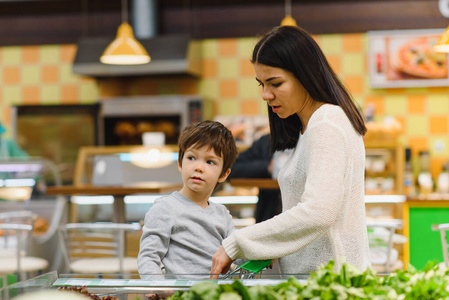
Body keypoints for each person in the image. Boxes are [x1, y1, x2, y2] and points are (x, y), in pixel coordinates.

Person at [211, 25, 370, 278]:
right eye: (261, 84)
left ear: (305, 74)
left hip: (329, 286)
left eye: (275, 83)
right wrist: (272, 245)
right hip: (317, 282)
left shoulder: (326, 122)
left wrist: (237, 242)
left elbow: (319, 212)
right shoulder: (307, 127)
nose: (265, 94)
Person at [138, 120, 239, 279]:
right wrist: (156, 286)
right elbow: (148, 256)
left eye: (210, 161)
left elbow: (237, 252)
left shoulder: (222, 214)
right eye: (191, 158)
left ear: (224, 174)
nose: (198, 167)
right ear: (180, 163)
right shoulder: (165, 208)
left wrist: (261, 251)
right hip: (180, 295)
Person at [227, 134, 282, 223]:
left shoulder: (308, 140)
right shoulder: (267, 141)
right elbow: (231, 169)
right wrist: (267, 167)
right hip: (267, 220)